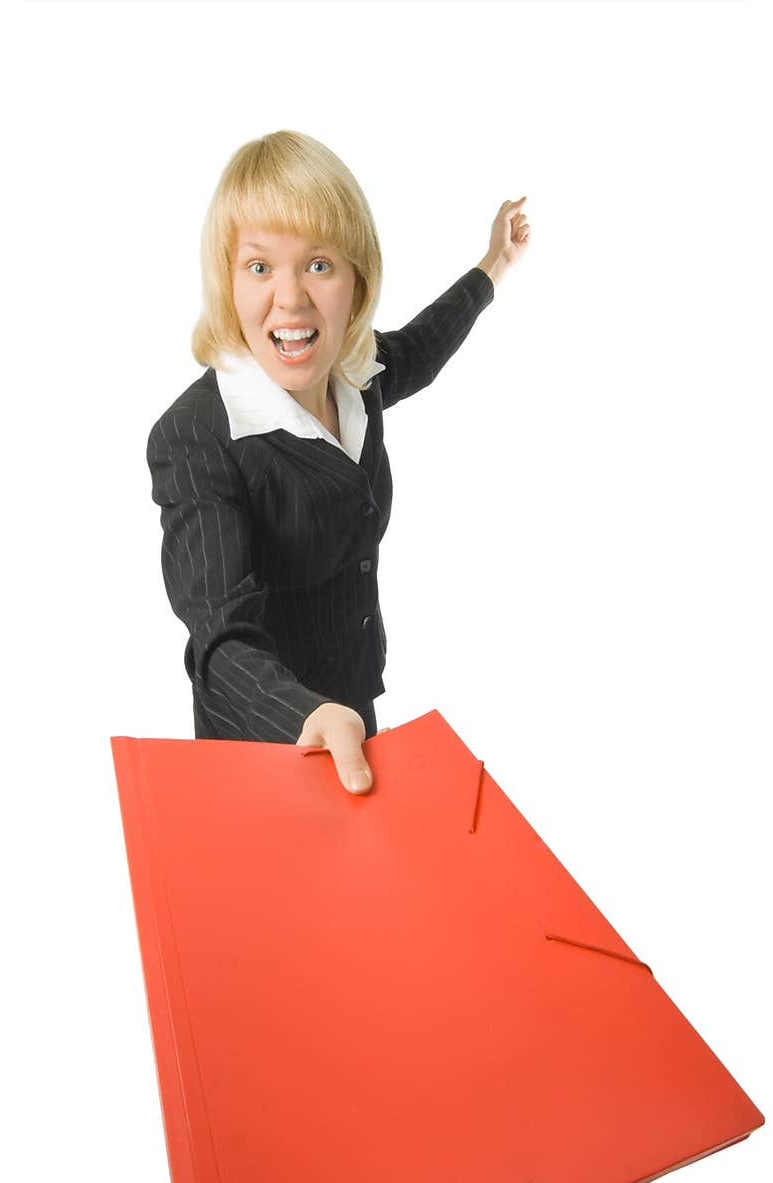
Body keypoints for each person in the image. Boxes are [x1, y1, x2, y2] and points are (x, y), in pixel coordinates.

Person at [146, 130, 530, 797]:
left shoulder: (354, 373)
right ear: (227, 280)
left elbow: (423, 347)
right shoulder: (196, 436)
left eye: (318, 265)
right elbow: (220, 642)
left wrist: (493, 265)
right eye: (260, 266)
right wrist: (306, 714)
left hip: (353, 708)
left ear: (357, 279)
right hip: (265, 744)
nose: (290, 299)